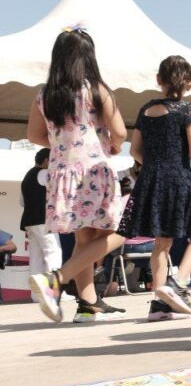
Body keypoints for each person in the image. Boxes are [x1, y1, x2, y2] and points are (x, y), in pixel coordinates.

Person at [25, 27, 128, 323]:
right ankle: (56, 279)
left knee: (85, 238)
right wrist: (112, 143)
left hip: (61, 172)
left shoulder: (45, 96)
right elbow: (120, 131)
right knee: (122, 232)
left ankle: (88, 304)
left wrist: (62, 144)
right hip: (93, 171)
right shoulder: (96, 89)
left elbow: (34, 134)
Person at [117, 56, 191, 321]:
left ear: (159, 80)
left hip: (151, 177)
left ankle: (159, 303)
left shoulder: (145, 110)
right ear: (189, 82)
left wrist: (152, 166)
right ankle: (180, 280)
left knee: (161, 242)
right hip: (179, 174)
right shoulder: (187, 110)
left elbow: (134, 150)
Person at [20, 148, 62, 299]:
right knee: (53, 254)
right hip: (44, 220)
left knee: (36, 257)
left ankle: (37, 296)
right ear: (46, 161)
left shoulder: (27, 176)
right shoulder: (44, 174)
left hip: (29, 221)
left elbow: (22, 202)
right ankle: (54, 294)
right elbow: (58, 193)